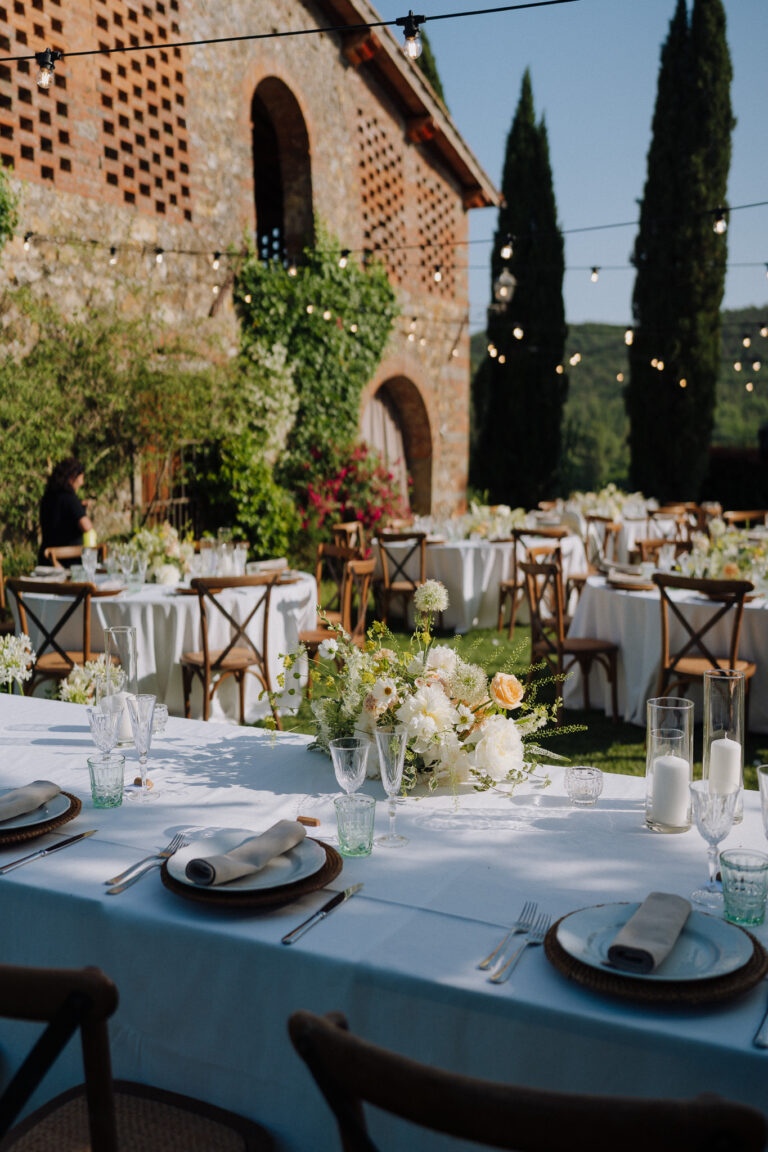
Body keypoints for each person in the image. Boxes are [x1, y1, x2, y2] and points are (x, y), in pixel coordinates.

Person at [38, 457, 94, 565]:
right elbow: (87, 526)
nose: (82, 483)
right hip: (67, 564)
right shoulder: (70, 498)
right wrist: (80, 510)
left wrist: (79, 507)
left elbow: (60, 517)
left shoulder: (48, 497)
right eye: (81, 478)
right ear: (72, 478)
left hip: (46, 562)